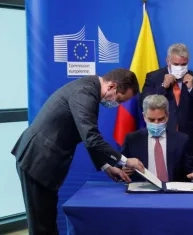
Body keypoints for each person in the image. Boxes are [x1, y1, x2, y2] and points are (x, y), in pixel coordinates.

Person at [11, 69, 146, 235]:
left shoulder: (89, 90)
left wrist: (106, 166)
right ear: (112, 86)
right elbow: (91, 137)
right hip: (37, 160)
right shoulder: (84, 92)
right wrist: (125, 161)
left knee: (47, 222)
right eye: (120, 99)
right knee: (41, 226)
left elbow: (85, 135)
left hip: (43, 160)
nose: (117, 104)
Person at [141, 43, 193, 169]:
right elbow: (143, 103)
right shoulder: (154, 77)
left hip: (189, 143)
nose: (179, 67)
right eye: (175, 64)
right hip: (161, 139)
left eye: (183, 64)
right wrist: (163, 86)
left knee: (190, 183)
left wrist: (192, 88)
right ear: (168, 61)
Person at [121, 95, 193, 182]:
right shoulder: (132, 139)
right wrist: (124, 169)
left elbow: (191, 169)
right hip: (142, 191)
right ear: (144, 116)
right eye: (151, 119)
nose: (156, 123)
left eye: (161, 119)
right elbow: (121, 166)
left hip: (173, 192)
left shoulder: (182, 140)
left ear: (167, 116)